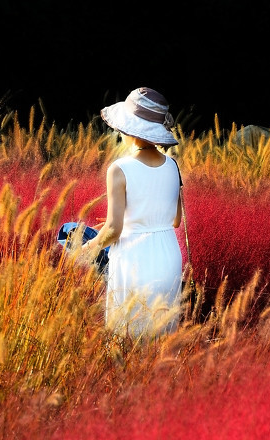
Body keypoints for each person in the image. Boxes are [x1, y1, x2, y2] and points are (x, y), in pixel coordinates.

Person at [81, 87, 184, 339]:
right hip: (168, 258)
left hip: (135, 259)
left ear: (130, 129)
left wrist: (89, 248)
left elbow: (114, 230)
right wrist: (136, 219)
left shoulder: (119, 168)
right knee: (162, 340)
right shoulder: (173, 165)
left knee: (128, 339)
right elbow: (175, 219)